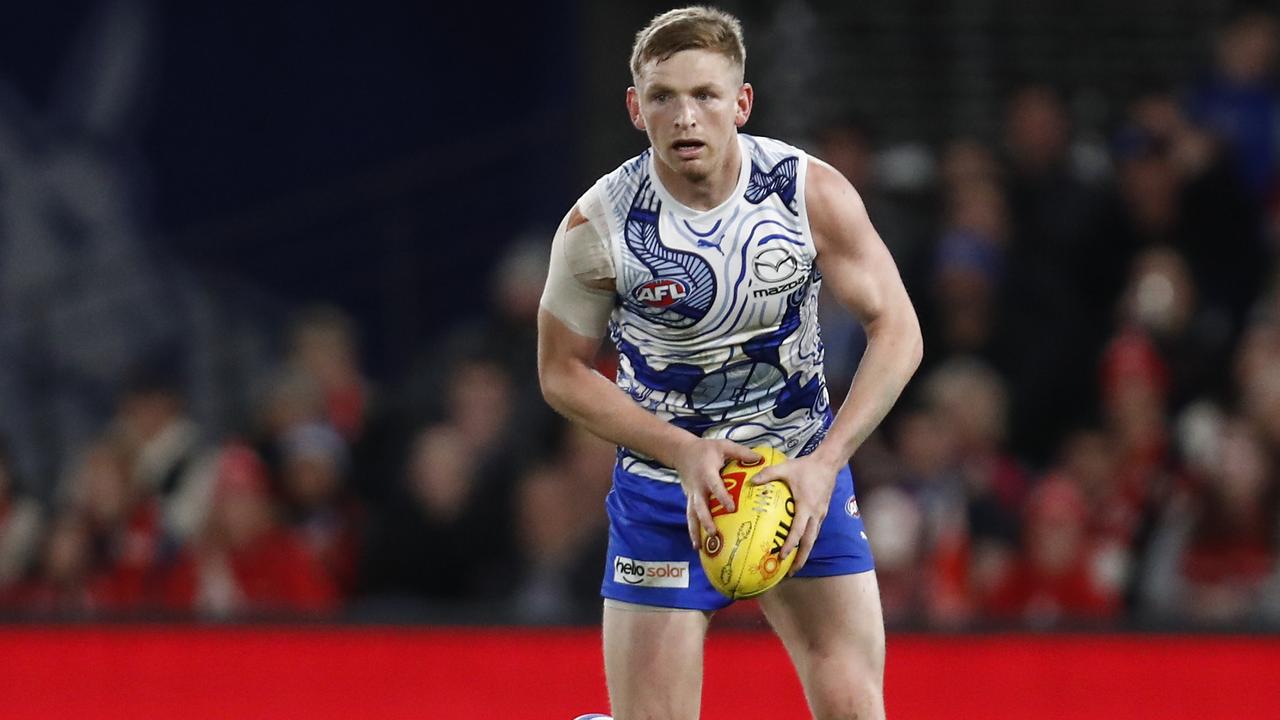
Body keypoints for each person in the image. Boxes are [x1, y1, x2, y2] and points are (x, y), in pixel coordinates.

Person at [537, 7, 922, 719]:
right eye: (663, 96)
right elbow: (560, 370)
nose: (685, 117)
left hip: (798, 478)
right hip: (665, 493)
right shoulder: (597, 229)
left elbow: (898, 329)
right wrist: (682, 453)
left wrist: (827, 463)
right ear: (634, 107)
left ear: (741, 103)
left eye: (706, 95)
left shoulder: (810, 194)